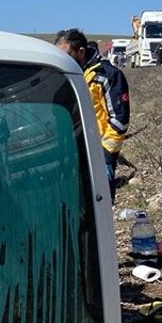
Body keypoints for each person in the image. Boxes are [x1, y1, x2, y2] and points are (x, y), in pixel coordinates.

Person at [55, 28, 129, 200]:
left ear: (80, 51)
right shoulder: (69, 76)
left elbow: (120, 120)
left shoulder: (107, 75)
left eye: (67, 54)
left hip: (99, 154)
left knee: (100, 207)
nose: (62, 60)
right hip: (74, 152)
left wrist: (105, 152)